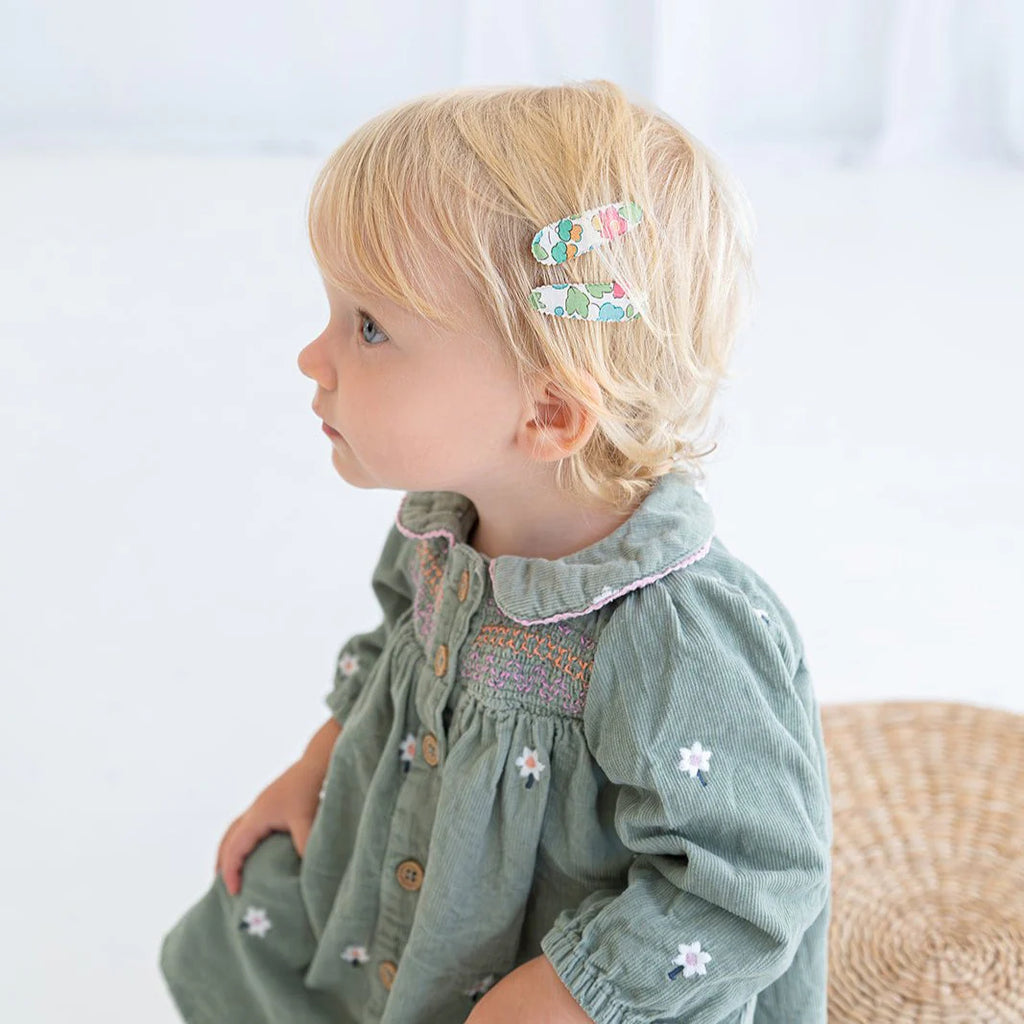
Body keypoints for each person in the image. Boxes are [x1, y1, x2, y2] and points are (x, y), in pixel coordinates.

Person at [158, 78, 832, 1024]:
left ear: (550, 409)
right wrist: (316, 763)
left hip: (560, 983)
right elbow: (395, 657)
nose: (315, 358)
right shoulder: (444, 526)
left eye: (370, 327)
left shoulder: (677, 634)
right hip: (412, 912)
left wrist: (570, 992)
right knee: (262, 908)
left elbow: (755, 883)